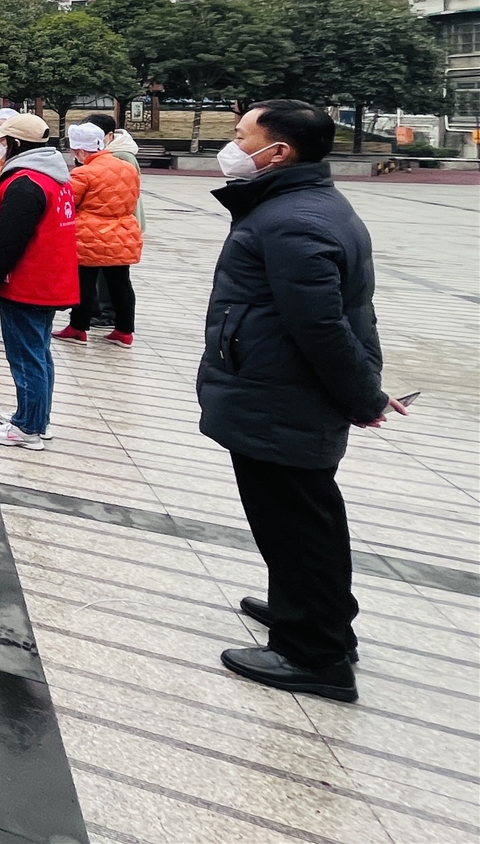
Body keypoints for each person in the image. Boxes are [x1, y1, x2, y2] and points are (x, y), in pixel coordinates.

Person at [201, 100, 398, 703]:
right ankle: (313, 611)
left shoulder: (293, 219)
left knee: (297, 523)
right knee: (301, 517)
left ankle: (315, 653)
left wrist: (365, 397)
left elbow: (320, 326)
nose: (232, 146)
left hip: (279, 394)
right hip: (277, 387)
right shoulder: (300, 205)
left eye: (242, 136)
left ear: (278, 152)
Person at [0, 113, 78, 451]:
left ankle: (27, 427)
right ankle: (36, 416)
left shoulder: (26, 183)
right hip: (48, 281)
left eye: (3, 141)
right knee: (39, 352)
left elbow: (8, 242)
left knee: (26, 357)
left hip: (27, 284)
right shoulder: (53, 177)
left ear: (16, 144)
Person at [53, 122, 142, 347]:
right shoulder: (127, 168)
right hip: (122, 231)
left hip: (89, 233)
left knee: (84, 282)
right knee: (121, 283)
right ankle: (124, 331)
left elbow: (70, 202)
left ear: (81, 151)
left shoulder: (83, 173)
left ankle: (78, 327)